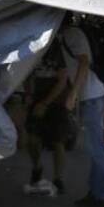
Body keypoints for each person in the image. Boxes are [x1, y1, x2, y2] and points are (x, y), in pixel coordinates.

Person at [58, 14, 104, 207]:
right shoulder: (68, 35)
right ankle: (96, 193)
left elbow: (84, 63)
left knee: (97, 149)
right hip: (93, 95)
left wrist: (73, 93)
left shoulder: (72, 34)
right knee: (95, 148)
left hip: (91, 97)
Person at [23, 41, 72, 194]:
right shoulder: (28, 47)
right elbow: (26, 74)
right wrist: (29, 95)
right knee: (33, 138)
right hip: (36, 97)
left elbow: (62, 80)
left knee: (57, 140)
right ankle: (37, 168)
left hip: (56, 100)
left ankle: (58, 179)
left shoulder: (55, 48)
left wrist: (44, 103)